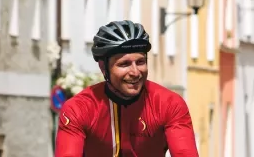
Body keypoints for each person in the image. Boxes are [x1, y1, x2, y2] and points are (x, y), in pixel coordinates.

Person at [54, 20, 199, 157]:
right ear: (103, 67)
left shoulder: (169, 104)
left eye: (141, 62)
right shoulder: (79, 108)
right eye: (124, 64)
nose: (135, 72)